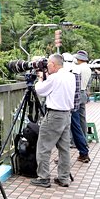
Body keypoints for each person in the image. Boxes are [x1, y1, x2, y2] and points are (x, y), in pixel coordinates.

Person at [32, 53, 75, 188]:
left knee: (44, 147)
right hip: (67, 115)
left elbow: (40, 90)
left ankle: (43, 177)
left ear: (54, 64)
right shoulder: (70, 76)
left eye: (48, 64)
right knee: (64, 149)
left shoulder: (55, 78)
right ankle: (63, 178)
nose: (47, 66)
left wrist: (39, 79)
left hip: (54, 115)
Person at [68, 52, 91, 163]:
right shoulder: (88, 68)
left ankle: (78, 146)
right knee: (82, 120)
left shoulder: (77, 68)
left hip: (75, 95)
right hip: (83, 94)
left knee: (74, 123)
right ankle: (84, 141)